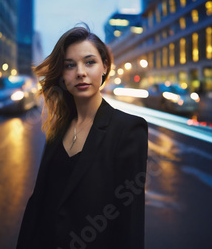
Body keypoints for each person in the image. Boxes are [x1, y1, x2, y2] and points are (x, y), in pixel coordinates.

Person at [16, 24, 149, 248]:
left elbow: (130, 222)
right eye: (70, 65)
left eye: (90, 62)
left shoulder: (128, 130)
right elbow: (38, 201)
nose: (80, 72)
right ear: (62, 75)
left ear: (105, 67)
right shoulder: (58, 129)